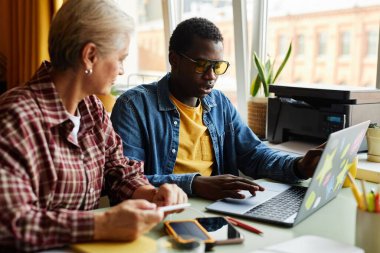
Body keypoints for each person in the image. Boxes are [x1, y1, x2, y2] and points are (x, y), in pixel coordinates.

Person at [0, 0, 187, 251]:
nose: (122, 71)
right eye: (120, 59)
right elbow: (10, 223)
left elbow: (119, 171)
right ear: (90, 56)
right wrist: (103, 223)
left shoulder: (93, 109)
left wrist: (151, 194)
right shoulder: (15, 117)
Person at [111, 17, 323, 201]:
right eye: (202, 65)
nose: (211, 76)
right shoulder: (133, 106)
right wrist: (195, 184)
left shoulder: (219, 103)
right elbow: (128, 182)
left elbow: (254, 154)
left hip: (218, 210)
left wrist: (298, 166)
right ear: (174, 59)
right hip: (164, 209)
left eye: (217, 66)